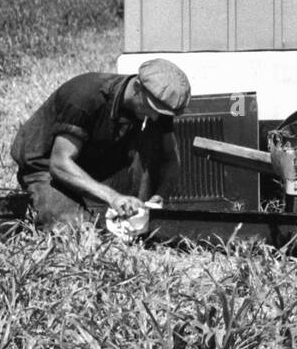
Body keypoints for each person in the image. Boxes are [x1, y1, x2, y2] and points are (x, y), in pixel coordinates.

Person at [11, 58, 191, 231]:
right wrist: (112, 197)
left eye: (161, 113)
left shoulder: (157, 109)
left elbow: (171, 160)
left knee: (129, 228)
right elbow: (59, 164)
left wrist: (160, 195)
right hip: (48, 169)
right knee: (75, 232)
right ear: (137, 87)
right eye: (152, 109)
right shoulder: (85, 95)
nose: (155, 117)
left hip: (97, 163)